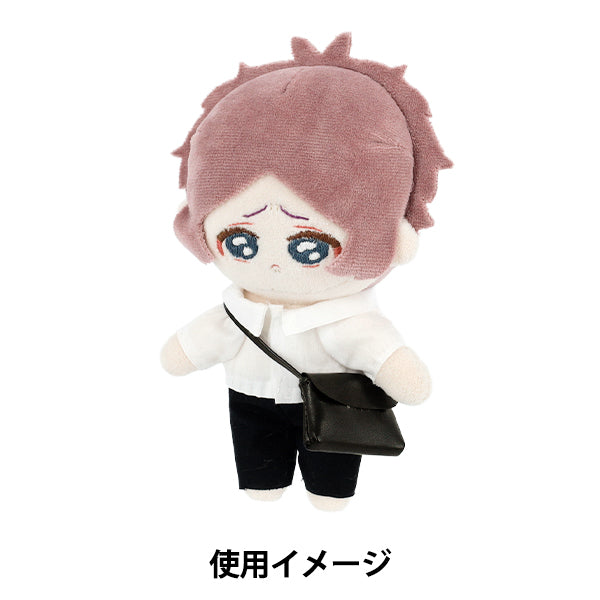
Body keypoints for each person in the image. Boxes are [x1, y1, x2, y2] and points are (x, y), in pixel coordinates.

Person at [161, 33, 451, 510]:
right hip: (249, 395)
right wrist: (186, 352)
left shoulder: (346, 320)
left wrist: (397, 370)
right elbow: (197, 344)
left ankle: (329, 492)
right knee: (256, 460)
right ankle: (264, 482)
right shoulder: (236, 311)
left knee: (331, 478)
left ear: (393, 239)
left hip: (332, 401)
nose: (274, 263)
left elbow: (378, 351)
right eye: (241, 241)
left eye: (309, 246)